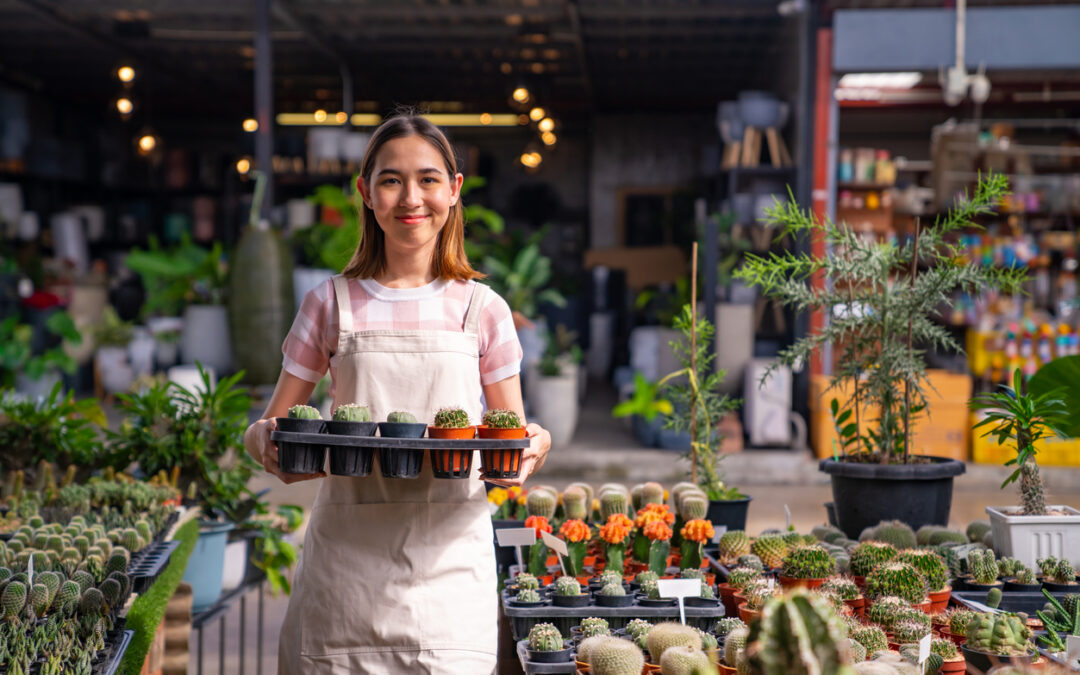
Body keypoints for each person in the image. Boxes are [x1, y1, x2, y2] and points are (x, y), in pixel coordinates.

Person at [243, 113, 552, 674]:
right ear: (366, 192)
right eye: (391, 180)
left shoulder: (483, 311)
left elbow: (510, 444)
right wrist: (260, 440)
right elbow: (275, 428)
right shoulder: (329, 303)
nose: (411, 198)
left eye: (429, 179)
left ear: (454, 191)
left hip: (451, 578)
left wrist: (535, 442)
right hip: (345, 575)